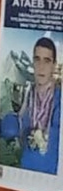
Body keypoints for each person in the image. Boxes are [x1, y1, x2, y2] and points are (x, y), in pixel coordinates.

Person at [19, 36, 61, 173]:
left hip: (52, 176)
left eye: (47, 61)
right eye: (37, 59)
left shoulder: (59, 99)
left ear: (54, 65)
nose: (41, 67)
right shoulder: (27, 97)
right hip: (25, 172)